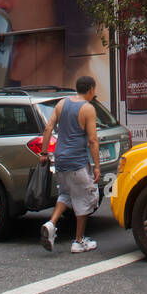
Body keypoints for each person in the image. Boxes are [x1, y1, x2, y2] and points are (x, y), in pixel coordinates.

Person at [38, 74, 101, 253]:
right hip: (77, 161)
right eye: (94, 90)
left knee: (66, 194)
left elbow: (48, 128)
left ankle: (51, 224)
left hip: (60, 160)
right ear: (90, 89)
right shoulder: (88, 109)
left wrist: (44, 153)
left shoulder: (62, 104)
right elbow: (93, 140)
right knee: (85, 198)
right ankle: (79, 241)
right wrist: (97, 166)